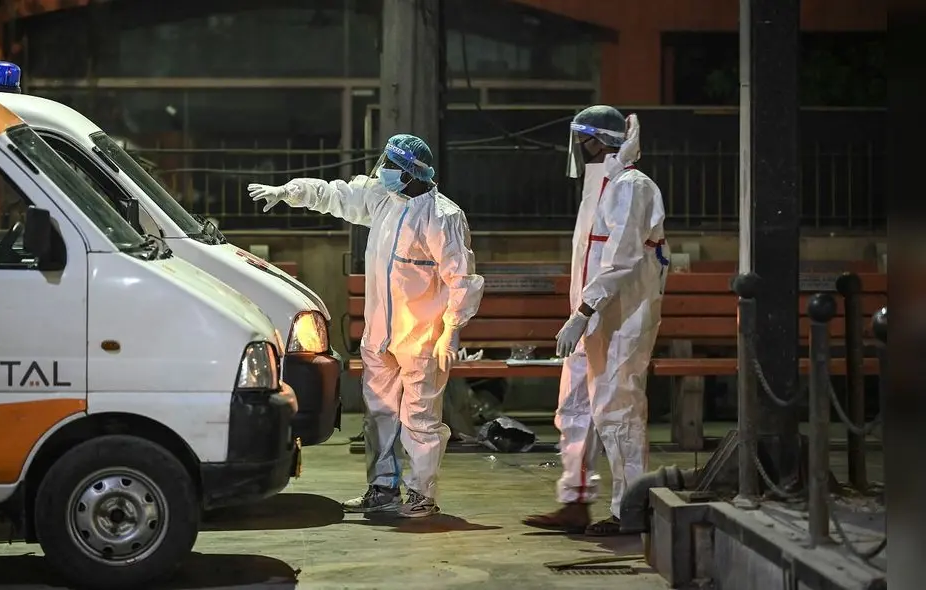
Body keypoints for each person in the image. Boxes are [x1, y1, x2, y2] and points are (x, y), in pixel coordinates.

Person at [248, 134, 484, 518]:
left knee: (420, 418)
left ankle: (421, 494)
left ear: (410, 173)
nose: (383, 171)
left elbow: (461, 279)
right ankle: (383, 489)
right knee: (379, 415)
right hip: (380, 335)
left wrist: (451, 331)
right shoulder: (384, 200)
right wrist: (289, 191)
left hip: (421, 339)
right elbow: (336, 194)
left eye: (391, 165)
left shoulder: (442, 217)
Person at [523, 106, 669, 536]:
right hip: (590, 318)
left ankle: (632, 509)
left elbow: (622, 260)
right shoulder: (599, 187)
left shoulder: (632, 187)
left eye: (580, 139)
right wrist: (582, 314)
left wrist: (583, 312)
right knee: (575, 408)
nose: (577, 148)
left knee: (617, 408)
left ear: (596, 140)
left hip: (622, 318)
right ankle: (575, 501)